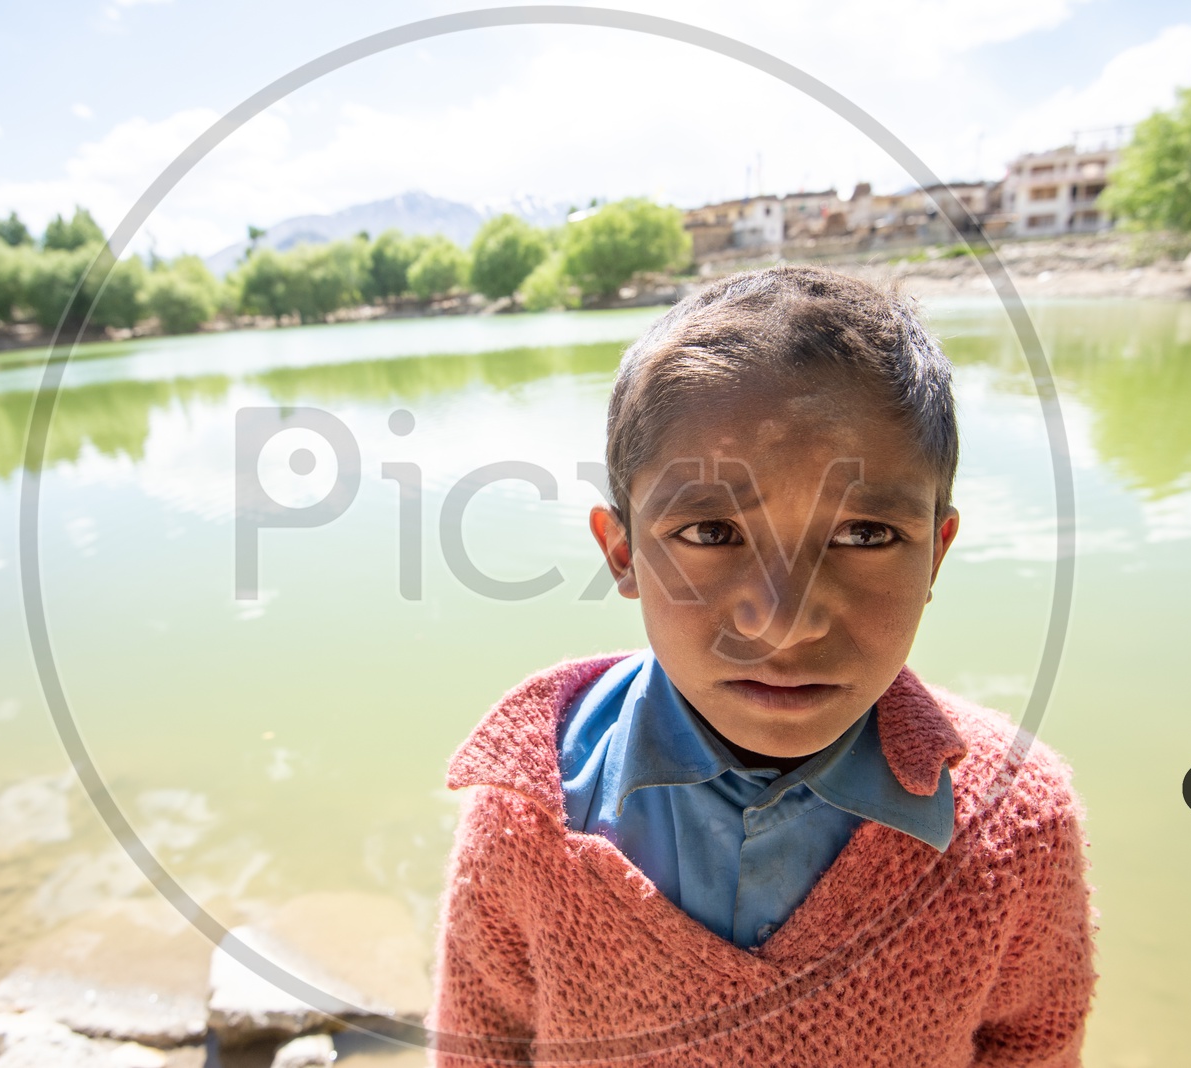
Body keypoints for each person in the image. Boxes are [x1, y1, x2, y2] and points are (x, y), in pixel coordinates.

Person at [429, 266, 1096, 1066]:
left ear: (936, 555)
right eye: (712, 534)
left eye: (864, 535)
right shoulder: (528, 808)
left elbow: (1036, 1044)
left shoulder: (1017, 824)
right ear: (623, 552)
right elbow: (479, 1048)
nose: (783, 621)